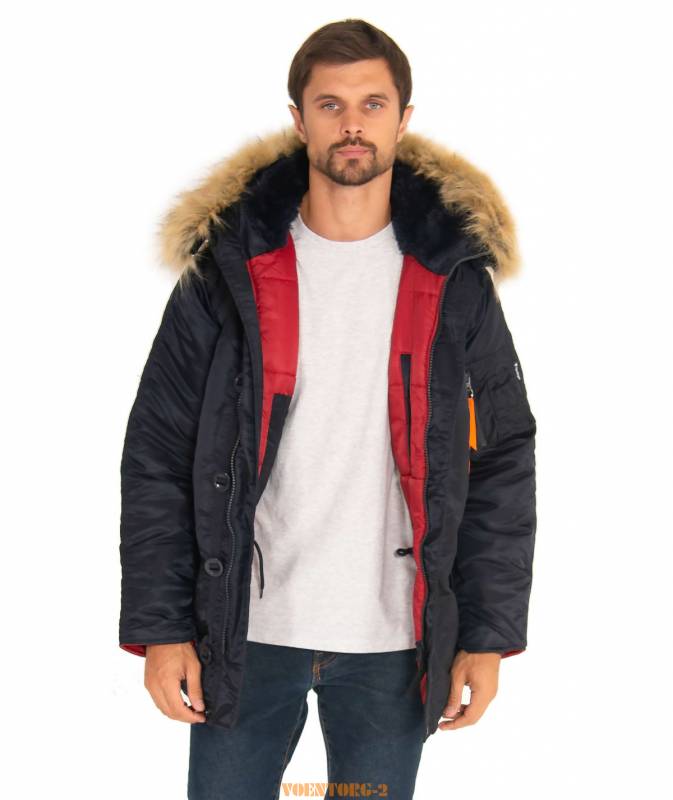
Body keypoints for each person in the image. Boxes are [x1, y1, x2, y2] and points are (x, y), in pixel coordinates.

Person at [118, 18, 537, 800]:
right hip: (242, 634)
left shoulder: (454, 280)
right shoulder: (228, 270)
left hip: (394, 642)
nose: (352, 124)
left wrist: (484, 635)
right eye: (330, 105)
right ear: (298, 120)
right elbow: (158, 448)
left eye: (372, 104)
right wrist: (162, 628)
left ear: (402, 120)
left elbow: (502, 459)